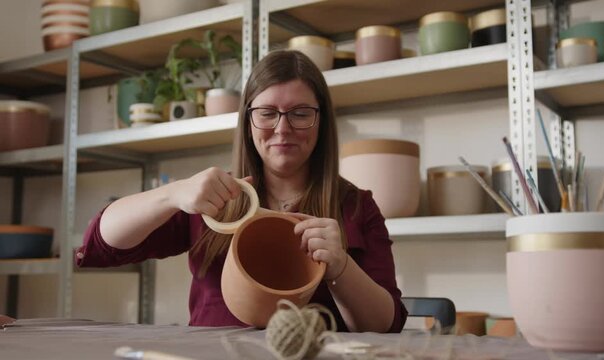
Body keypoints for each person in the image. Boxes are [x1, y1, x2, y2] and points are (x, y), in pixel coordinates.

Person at [77, 50, 407, 332]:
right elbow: (102, 245)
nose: (282, 128)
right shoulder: (215, 197)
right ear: (248, 121)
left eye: (300, 113)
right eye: (267, 113)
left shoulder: (355, 206)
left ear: (321, 121)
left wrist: (341, 267)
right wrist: (173, 193)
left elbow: (387, 326)